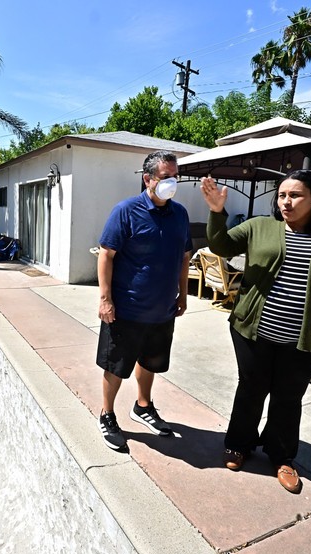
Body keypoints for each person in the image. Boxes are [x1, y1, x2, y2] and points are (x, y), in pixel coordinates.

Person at [199, 169, 311, 493]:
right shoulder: (260, 227)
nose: (286, 201)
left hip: (308, 335)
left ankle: (281, 456)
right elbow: (220, 245)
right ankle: (239, 443)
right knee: (250, 388)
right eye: (281, 195)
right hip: (253, 329)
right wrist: (217, 211)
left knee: (288, 397)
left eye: (295, 195)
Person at [95, 150, 193, 452]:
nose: (172, 183)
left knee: (150, 361)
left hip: (162, 311)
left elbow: (184, 257)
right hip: (127, 309)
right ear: (148, 178)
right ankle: (107, 414)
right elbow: (106, 255)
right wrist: (105, 299)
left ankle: (143, 405)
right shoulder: (126, 211)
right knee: (116, 365)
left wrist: (183, 294)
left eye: (175, 177)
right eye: (166, 177)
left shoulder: (180, 214)